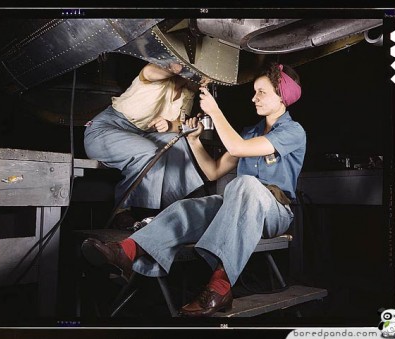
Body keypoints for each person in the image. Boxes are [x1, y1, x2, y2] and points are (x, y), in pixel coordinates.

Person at [81, 62, 306, 317]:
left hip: (275, 212)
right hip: (239, 204)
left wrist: (215, 112)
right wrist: (194, 140)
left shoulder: (293, 132)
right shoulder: (249, 132)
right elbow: (213, 171)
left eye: (262, 92)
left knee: (245, 184)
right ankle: (126, 252)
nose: (254, 98)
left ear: (282, 97)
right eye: (254, 91)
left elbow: (237, 149)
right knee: (189, 207)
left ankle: (220, 287)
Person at [83, 62, 205, 225]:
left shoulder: (188, 91)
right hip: (105, 130)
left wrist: (169, 125)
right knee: (148, 151)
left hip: (141, 136)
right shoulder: (158, 75)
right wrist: (175, 68)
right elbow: (148, 72)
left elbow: (179, 124)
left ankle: (173, 209)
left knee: (178, 143)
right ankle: (123, 211)